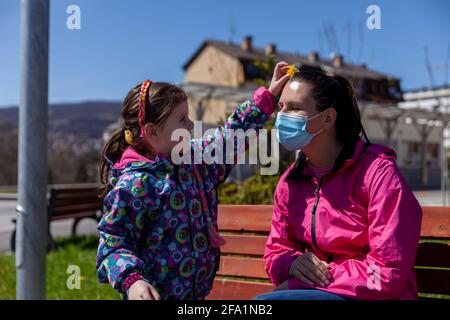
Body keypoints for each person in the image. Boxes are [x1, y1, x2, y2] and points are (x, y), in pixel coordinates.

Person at [96, 62, 291, 300]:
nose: (190, 125)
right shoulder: (135, 184)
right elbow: (113, 243)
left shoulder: (196, 162)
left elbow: (230, 139)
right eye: (182, 119)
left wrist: (268, 97)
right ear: (153, 131)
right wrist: (132, 281)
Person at [257, 65, 422, 300]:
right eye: (281, 108)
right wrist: (292, 264)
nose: (282, 117)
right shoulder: (290, 181)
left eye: (294, 108)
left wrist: (307, 281)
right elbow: (276, 250)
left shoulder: (378, 172)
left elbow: (386, 271)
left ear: (327, 118)